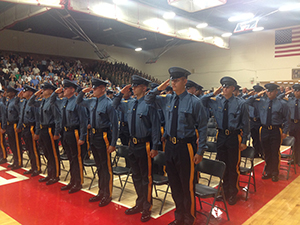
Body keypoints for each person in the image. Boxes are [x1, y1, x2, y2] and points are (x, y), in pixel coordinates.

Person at [145, 67, 208, 225]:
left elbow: (203, 127)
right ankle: (179, 216)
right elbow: (148, 100)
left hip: (185, 147)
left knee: (187, 185)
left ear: (185, 81)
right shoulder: (167, 99)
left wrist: (200, 151)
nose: (173, 82)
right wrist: (157, 89)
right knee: (174, 184)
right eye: (172, 80)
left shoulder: (194, 102)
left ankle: (189, 218)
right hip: (170, 147)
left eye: (177, 80)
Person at [113, 75, 161, 223]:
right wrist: (121, 92)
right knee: (135, 176)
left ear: (144, 87)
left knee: (146, 178)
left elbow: (155, 127)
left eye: (136, 86)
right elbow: (114, 104)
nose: (133, 88)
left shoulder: (149, 105)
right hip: (132, 144)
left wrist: (155, 146)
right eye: (132, 86)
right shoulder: (130, 103)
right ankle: (139, 203)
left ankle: (147, 206)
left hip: (144, 144)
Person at [201, 76, 249, 205]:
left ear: (233, 88)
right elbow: (201, 101)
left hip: (234, 137)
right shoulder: (216, 100)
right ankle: (224, 191)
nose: (224, 89)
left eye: (227, 86)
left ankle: (233, 192)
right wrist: (213, 93)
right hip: (221, 136)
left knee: (233, 166)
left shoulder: (240, 103)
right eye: (223, 86)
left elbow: (246, 124)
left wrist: (244, 140)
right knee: (223, 165)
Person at [76, 78, 118, 207]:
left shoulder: (109, 103)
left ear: (103, 89)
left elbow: (115, 125)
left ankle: (107, 194)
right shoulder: (92, 101)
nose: (93, 90)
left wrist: (113, 144)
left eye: (95, 88)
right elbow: (79, 101)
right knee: (99, 166)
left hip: (103, 136)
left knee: (106, 167)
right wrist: (83, 92)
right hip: (93, 136)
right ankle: (101, 191)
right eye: (92, 88)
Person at [51, 80, 88, 193]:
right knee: (71, 158)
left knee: (77, 158)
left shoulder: (78, 102)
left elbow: (83, 120)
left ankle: (78, 182)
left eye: (66, 88)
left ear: (72, 89)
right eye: (64, 88)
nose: (64, 90)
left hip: (75, 133)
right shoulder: (63, 102)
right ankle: (72, 181)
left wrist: (82, 137)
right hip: (66, 133)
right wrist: (55, 92)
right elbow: (52, 101)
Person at [247, 83, 290, 182]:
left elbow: (286, 119)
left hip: (276, 130)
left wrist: (285, 131)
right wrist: (257, 95)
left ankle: (275, 173)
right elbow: (247, 102)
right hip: (264, 129)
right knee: (266, 152)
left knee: (274, 152)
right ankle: (268, 171)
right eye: (267, 91)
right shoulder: (261, 102)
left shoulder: (282, 103)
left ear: (276, 92)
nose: (269, 93)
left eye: (271, 91)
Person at [28, 82, 61, 185]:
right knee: (47, 153)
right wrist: (35, 94)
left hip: (50, 129)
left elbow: (57, 118)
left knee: (53, 153)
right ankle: (50, 174)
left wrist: (56, 132)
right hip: (43, 130)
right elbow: (31, 103)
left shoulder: (53, 102)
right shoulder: (43, 101)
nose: (43, 90)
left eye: (45, 89)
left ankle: (55, 175)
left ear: (51, 91)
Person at [15, 85, 41, 177]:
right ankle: (33, 167)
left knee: (34, 149)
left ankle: (37, 168)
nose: (23, 93)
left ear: (30, 93)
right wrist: (19, 126)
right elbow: (20, 115)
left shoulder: (34, 104)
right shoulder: (23, 102)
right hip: (25, 128)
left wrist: (37, 132)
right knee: (29, 149)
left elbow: (38, 119)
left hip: (32, 128)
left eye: (25, 91)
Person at [4, 86, 22, 170]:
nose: (7, 93)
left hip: (15, 124)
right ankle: (15, 161)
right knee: (12, 144)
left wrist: (19, 126)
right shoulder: (9, 101)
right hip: (9, 125)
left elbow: (20, 114)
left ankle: (19, 162)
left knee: (17, 144)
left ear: (13, 93)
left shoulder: (16, 102)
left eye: (9, 92)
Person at [0, 90, 7, 164]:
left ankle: (4, 157)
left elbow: (3, 116)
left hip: (0, 124)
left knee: (2, 142)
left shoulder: (1, 104)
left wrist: (3, 127)